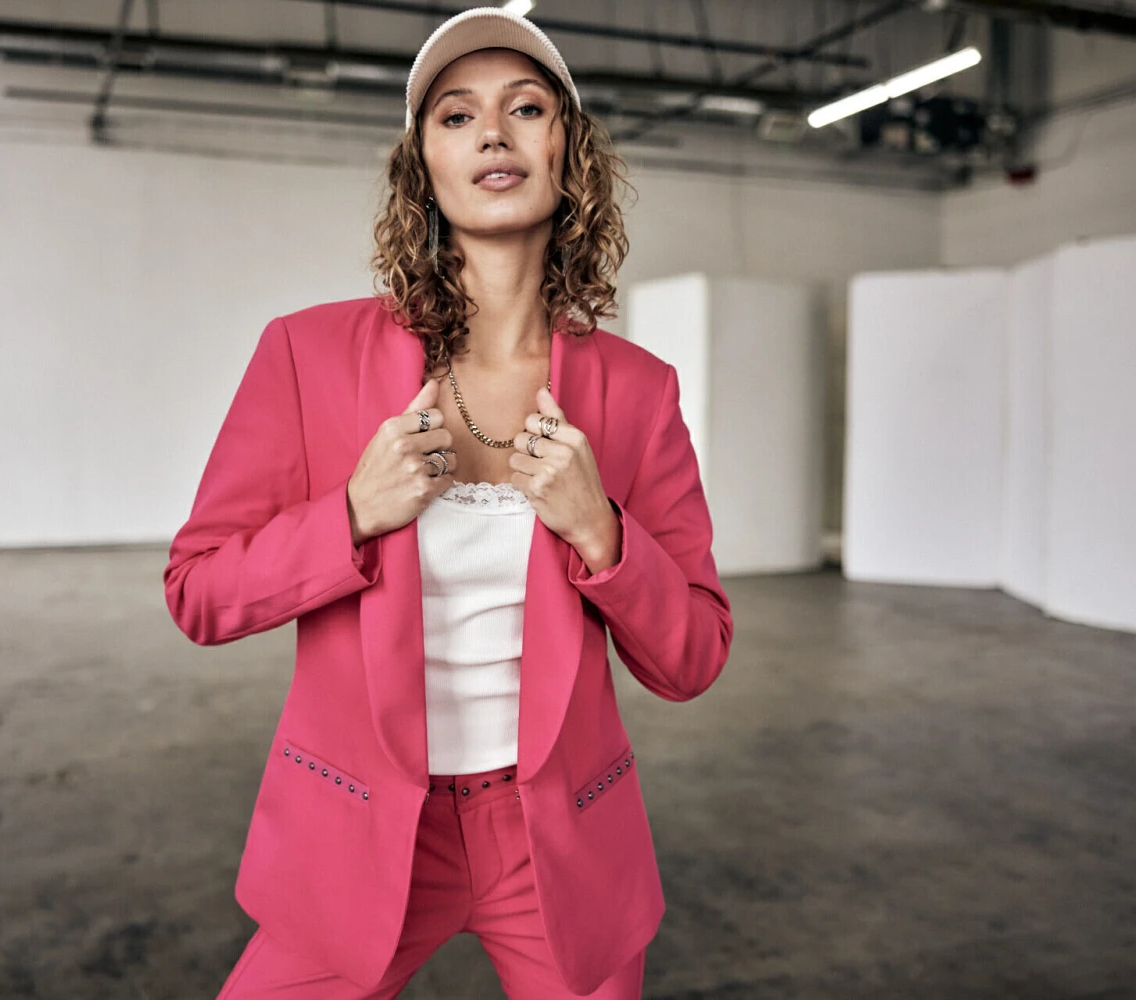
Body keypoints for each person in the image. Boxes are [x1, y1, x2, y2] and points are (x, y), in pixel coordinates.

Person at [163, 7, 734, 998]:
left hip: (557, 840)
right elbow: (199, 593)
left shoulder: (639, 393)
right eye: (457, 116)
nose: (493, 135)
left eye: (526, 108)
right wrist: (350, 513)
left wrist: (602, 534)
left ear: (569, 152)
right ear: (422, 164)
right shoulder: (306, 355)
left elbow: (694, 656)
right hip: (364, 826)